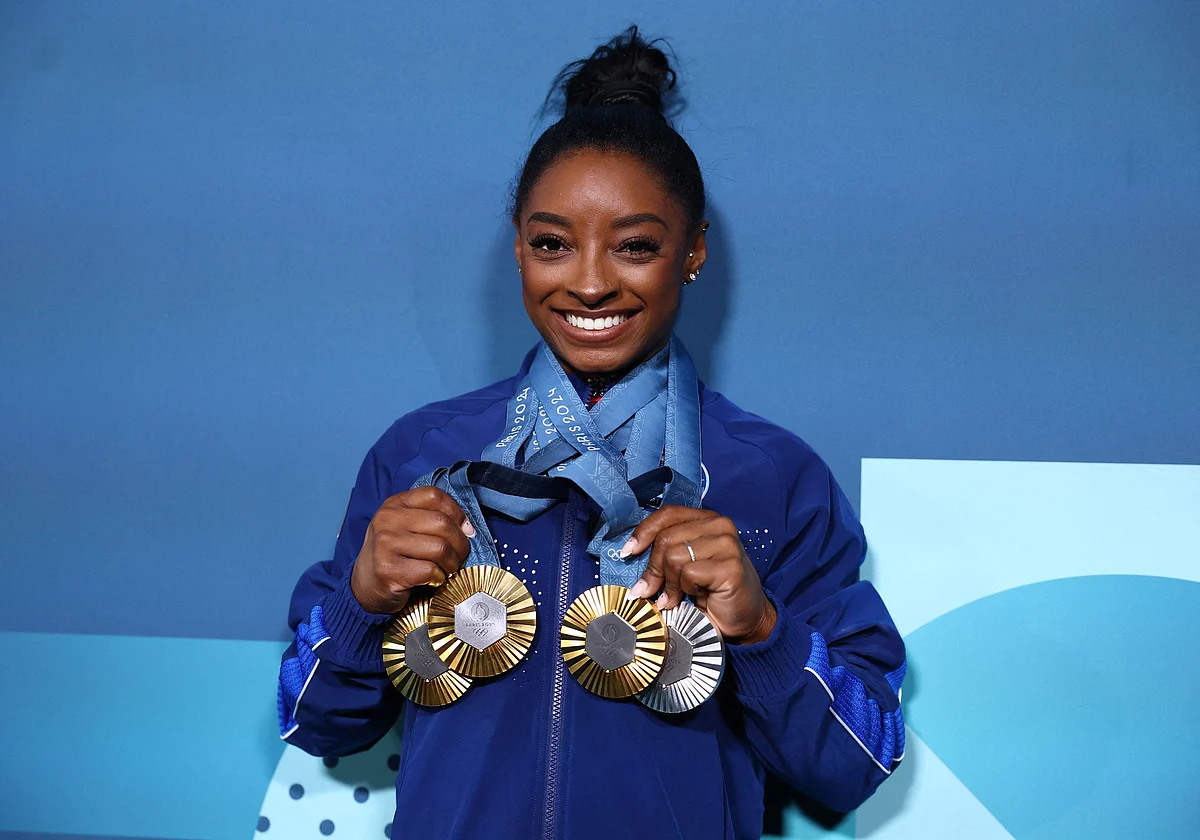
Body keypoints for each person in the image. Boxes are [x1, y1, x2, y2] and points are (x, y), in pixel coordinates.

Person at [278, 27, 906, 840]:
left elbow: (859, 760)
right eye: (553, 244)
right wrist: (362, 602)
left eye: (635, 246)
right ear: (518, 250)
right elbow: (313, 721)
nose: (590, 282)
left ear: (693, 251)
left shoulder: (773, 476)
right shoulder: (421, 454)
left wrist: (763, 631)